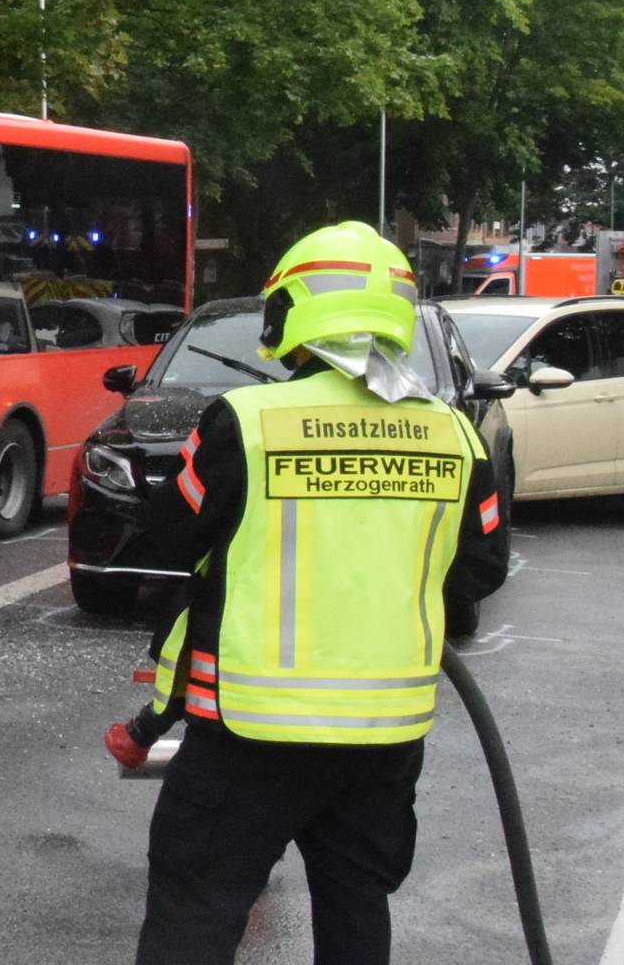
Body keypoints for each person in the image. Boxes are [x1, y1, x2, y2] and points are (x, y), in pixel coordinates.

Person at [125, 222, 507, 965]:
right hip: (380, 739)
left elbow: (168, 538)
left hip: (248, 734)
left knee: (196, 915)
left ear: (288, 315)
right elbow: (478, 572)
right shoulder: (454, 435)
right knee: (356, 908)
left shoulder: (249, 421)